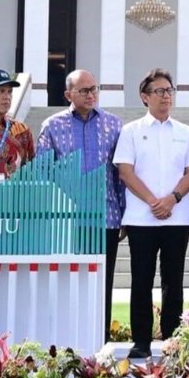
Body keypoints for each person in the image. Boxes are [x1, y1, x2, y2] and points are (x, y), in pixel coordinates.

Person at [113, 68, 189, 360]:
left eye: (169, 91)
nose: (166, 96)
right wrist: (154, 201)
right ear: (144, 97)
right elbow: (125, 171)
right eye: (159, 91)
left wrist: (172, 199)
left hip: (176, 217)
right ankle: (141, 341)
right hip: (142, 218)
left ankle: (173, 340)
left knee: (173, 280)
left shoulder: (185, 132)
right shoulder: (131, 131)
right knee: (141, 280)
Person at [37, 69, 126, 338]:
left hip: (105, 217)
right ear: (68, 94)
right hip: (67, 220)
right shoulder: (52, 126)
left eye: (94, 89)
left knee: (102, 284)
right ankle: (65, 339)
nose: (91, 95)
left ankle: (101, 340)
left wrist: (125, 214)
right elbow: (43, 172)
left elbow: (121, 173)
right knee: (66, 283)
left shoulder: (114, 125)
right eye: (84, 90)